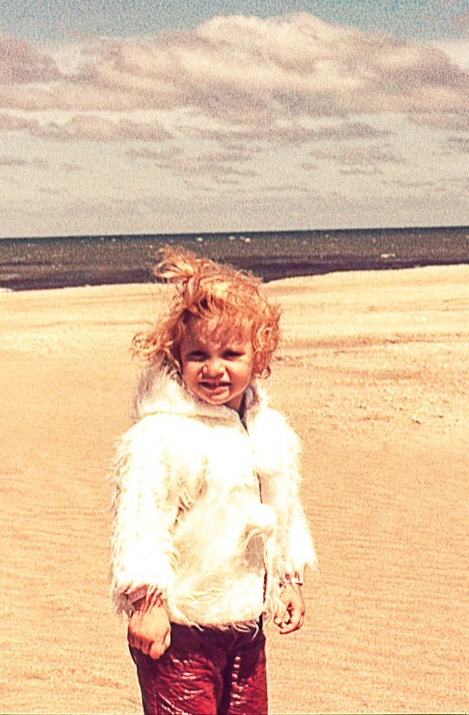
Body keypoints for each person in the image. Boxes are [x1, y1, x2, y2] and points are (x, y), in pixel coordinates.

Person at [109, 247, 316, 715]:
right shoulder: (162, 435)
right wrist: (146, 601)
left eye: (231, 354)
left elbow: (282, 512)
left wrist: (288, 578)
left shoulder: (267, 431)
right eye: (197, 355)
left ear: (258, 358)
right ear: (176, 358)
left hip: (245, 625)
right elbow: (141, 520)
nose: (215, 368)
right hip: (180, 629)